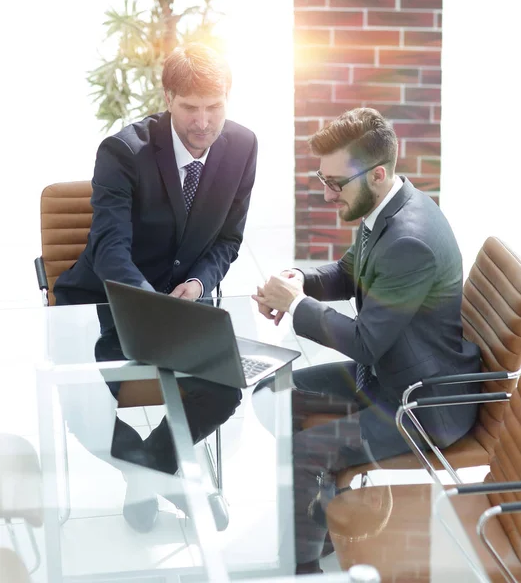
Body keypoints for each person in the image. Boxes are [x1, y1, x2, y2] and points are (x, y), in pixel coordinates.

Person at [252, 107, 481, 574]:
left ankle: (301, 567)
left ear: (377, 174)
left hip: (422, 404)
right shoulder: (384, 207)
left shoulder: (409, 241)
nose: (326, 193)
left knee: (306, 447)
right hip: (388, 376)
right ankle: (326, 521)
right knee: (274, 395)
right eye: (322, 178)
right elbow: (347, 272)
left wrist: (296, 305)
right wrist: (300, 279)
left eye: (336, 183)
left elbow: (364, 342)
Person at [54, 42, 258, 532]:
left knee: (224, 389)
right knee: (84, 409)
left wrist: (197, 281)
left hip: (181, 301)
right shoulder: (124, 152)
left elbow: (229, 239)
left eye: (215, 107)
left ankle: (148, 474)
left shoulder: (244, 146)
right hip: (104, 301)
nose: (203, 122)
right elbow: (109, 249)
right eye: (190, 108)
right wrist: (153, 312)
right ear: (167, 97)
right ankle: (172, 479)